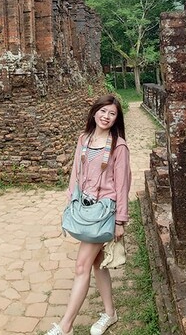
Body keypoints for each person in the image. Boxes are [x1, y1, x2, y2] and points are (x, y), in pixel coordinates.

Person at [45, 95, 132, 335]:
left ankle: (66, 326)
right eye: (103, 111)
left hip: (104, 210)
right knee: (96, 262)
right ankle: (110, 313)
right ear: (94, 113)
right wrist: (69, 201)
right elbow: (75, 172)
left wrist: (121, 220)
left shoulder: (119, 146)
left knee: (81, 266)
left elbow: (123, 184)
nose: (106, 117)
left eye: (112, 113)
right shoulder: (83, 139)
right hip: (83, 207)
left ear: (116, 119)